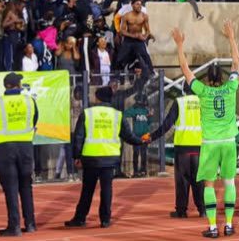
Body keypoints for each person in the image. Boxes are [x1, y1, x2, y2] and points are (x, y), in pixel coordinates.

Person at [171, 20, 239, 238]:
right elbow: (237, 64)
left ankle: (212, 227)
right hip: (229, 141)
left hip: (210, 143)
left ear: (207, 79)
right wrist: (230, 37)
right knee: (229, 182)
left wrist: (180, 45)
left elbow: (185, 70)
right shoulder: (231, 88)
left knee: (209, 185)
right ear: (222, 78)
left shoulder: (201, 91)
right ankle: (229, 224)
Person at [64, 86, 149, 228]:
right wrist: (141, 141)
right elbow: (128, 136)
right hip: (110, 158)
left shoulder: (87, 113)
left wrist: (76, 156)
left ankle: (80, 218)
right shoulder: (118, 115)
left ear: (98, 98)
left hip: (91, 158)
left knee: (87, 190)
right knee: (107, 190)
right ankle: (105, 219)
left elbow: (79, 137)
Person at [0, 72, 38, 236]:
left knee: (11, 187)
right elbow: (34, 120)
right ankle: (30, 224)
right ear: (17, 85)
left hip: (4, 148)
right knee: (26, 186)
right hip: (26, 146)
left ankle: (14, 226)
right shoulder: (29, 101)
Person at [149, 81, 206, 219]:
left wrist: (152, 136)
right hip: (199, 147)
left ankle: (181, 211)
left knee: (182, 180)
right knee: (199, 180)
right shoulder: (203, 102)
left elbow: (168, 123)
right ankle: (203, 210)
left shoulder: (179, 102)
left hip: (183, 148)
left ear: (183, 89)